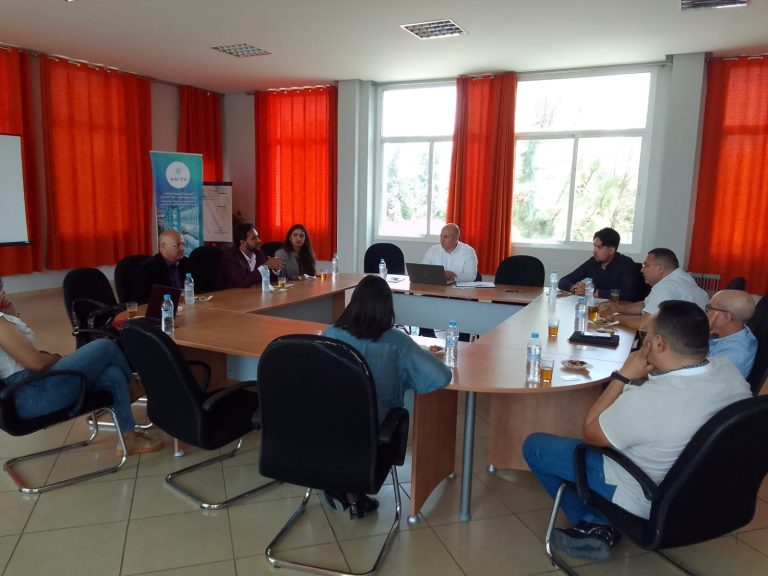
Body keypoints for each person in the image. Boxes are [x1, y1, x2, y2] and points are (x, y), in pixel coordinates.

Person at [523, 300, 750, 561]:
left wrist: (622, 377)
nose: (644, 341)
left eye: (646, 335)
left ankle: (595, 523)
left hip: (645, 492)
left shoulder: (652, 400)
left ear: (659, 344)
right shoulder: (729, 372)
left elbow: (591, 433)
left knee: (535, 446)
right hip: (708, 495)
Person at [323, 275, 453, 519]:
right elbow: (441, 376)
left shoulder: (331, 333)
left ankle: (343, 488)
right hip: (376, 429)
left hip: (330, 425)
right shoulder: (397, 341)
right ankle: (351, 491)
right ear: (387, 307)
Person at [0, 297, 164, 456]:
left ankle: (129, 438)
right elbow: (37, 363)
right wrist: (58, 358)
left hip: (29, 391)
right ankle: (136, 388)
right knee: (106, 346)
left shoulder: (3, 320)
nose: (2, 293)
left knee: (113, 374)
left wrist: (10, 314)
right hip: (32, 395)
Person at [598, 248, 708, 331]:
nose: (642, 270)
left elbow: (645, 324)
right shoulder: (682, 277)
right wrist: (618, 308)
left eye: (646, 265)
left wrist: (615, 317)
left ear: (660, 268)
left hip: (681, 345)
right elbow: (646, 304)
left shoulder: (667, 286)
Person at [558, 228, 641, 301]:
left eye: (599, 247)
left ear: (611, 250)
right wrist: (575, 288)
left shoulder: (626, 264)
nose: (594, 251)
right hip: (595, 307)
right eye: (594, 246)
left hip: (617, 310)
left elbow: (627, 294)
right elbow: (563, 281)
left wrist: (594, 292)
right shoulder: (593, 262)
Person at [706, 289, 757, 378]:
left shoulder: (732, 355)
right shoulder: (740, 330)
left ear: (726, 317)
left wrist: (699, 340)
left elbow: (696, 377)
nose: (705, 312)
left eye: (709, 308)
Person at [131, 229, 192, 304]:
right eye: (177, 245)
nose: (182, 248)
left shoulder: (186, 263)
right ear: (163, 246)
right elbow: (140, 301)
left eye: (183, 244)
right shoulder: (148, 268)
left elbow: (197, 291)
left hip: (187, 306)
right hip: (163, 308)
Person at [216, 223, 283, 290]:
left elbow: (267, 280)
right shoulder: (230, 257)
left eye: (257, 237)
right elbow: (241, 283)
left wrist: (275, 269)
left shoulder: (259, 253)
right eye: (254, 238)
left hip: (253, 294)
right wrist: (264, 267)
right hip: (231, 295)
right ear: (242, 242)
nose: (259, 240)